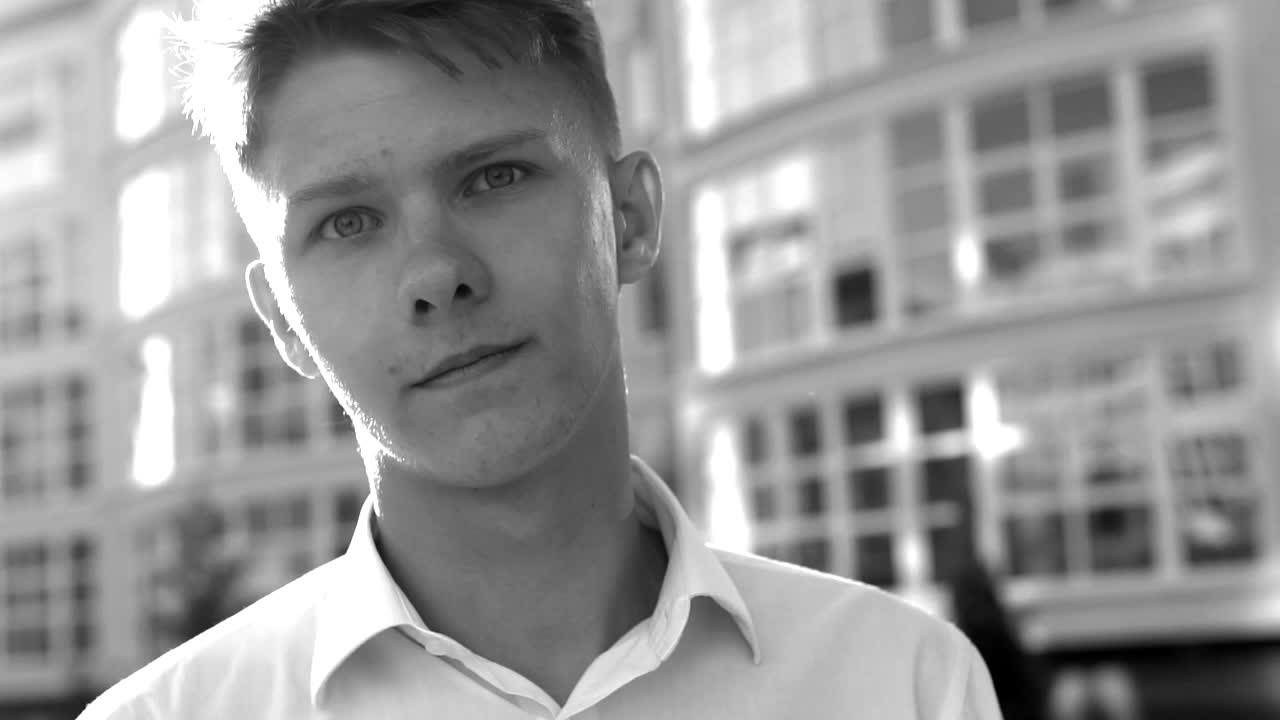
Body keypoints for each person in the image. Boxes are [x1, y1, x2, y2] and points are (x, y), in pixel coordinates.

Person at [81, 1, 1003, 717]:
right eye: (348, 223)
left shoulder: (907, 685)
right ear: (282, 318)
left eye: (495, 177)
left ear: (631, 219)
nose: (438, 275)